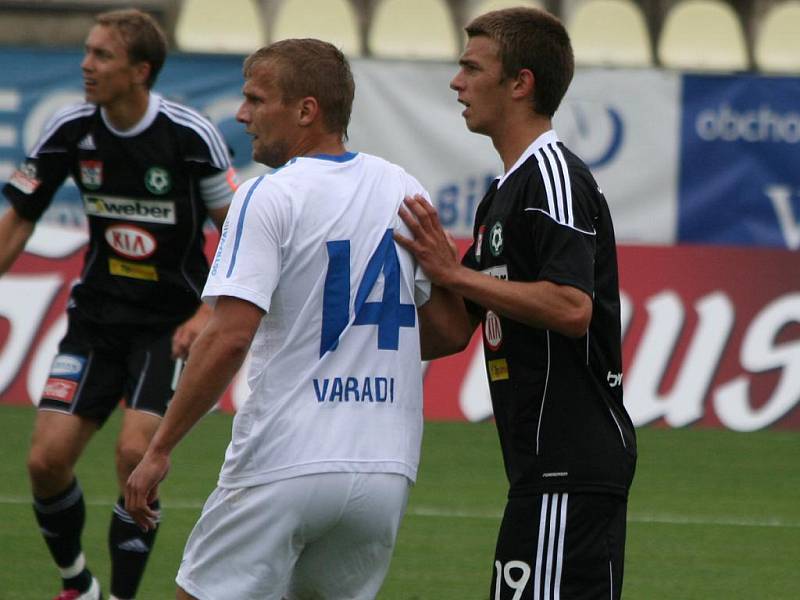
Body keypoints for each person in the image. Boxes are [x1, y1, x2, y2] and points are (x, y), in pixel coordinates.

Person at [125, 38, 469, 600]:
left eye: (256, 100)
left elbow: (229, 337)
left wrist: (159, 448)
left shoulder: (268, 196)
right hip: (384, 470)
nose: (242, 115)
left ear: (306, 110)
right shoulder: (404, 188)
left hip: (286, 460)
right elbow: (452, 333)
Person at [395, 7, 637, 600]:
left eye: (471, 68)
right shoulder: (500, 197)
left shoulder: (554, 176)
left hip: (570, 467)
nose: (457, 82)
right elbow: (453, 331)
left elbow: (570, 306)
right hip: (538, 474)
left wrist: (455, 272)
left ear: (520, 83)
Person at [0, 9, 236, 600]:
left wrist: (209, 311)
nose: (86, 65)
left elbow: (236, 233)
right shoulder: (70, 129)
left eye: (102, 55)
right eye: (86, 52)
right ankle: (80, 584)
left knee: (136, 454)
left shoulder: (189, 136)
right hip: (96, 322)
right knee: (45, 462)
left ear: (141, 71)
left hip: (169, 326)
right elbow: (17, 223)